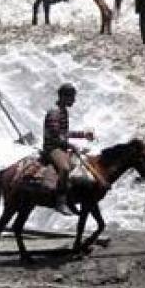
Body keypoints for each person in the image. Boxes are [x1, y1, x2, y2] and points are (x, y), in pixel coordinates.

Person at [43, 83, 95, 214]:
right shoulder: (54, 112)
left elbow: (64, 133)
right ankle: (60, 201)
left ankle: (70, 197)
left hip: (61, 147)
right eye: (72, 97)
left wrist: (83, 135)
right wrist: (70, 145)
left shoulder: (63, 111)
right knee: (65, 168)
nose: (74, 100)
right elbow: (55, 136)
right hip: (52, 148)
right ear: (63, 97)